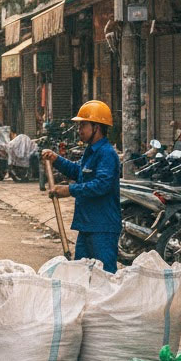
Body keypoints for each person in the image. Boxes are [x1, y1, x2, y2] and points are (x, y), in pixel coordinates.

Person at [41, 100, 121, 272]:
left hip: (102, 227)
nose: (79, 131)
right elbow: (79, 172)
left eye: (83, 125)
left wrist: (69, 190)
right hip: (87, 226)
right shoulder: (91, 151)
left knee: (104, 279)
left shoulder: (107, 154)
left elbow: (102, 185)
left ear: (96, 127)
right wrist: (56, 159)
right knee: (81, 276)